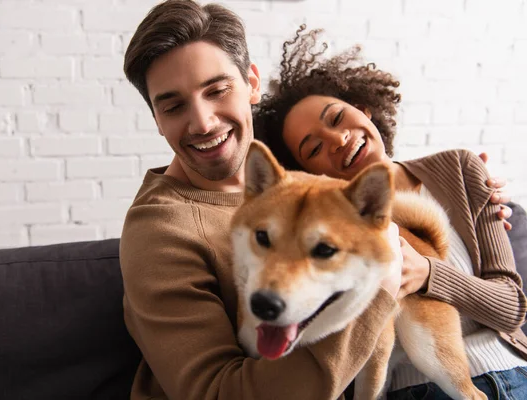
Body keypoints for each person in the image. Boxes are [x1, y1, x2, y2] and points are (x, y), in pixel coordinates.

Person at [118, 1, 405, 399]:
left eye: (217, 91)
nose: (202, 123)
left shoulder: (287, 179)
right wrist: (381, 289)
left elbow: (374, 196)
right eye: (173, 106)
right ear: (156, 118)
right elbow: (218, 393)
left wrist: (465, 185)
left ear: (252, 83)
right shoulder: (160, 233)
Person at [253, 25, 527, 399]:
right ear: (311, 175)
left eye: (336, 118)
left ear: (364, 110)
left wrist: (428, 272)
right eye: (313, 148)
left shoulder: (461, 169)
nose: (337, 139)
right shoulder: (332, 235)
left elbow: (512, 307)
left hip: (504, 374)